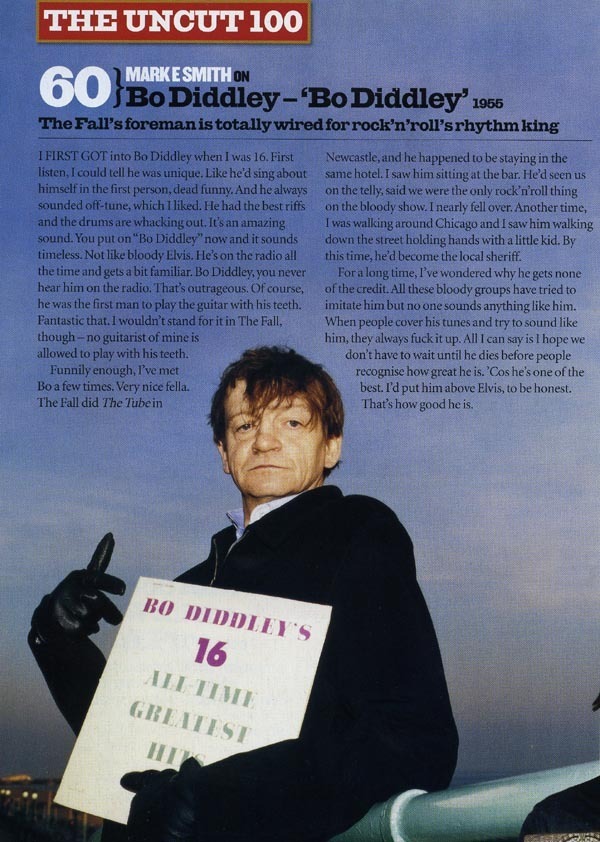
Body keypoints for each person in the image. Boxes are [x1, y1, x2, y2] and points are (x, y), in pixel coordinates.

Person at [29, 346, 458, 842]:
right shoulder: (190, 585)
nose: (265, 442)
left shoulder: (356, 535)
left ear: (331, 446)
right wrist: (56, 638)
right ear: (223, 454)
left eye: (292, 423)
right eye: (245, 426)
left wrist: (218, 799)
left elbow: (412, 740)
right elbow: (122, 743)